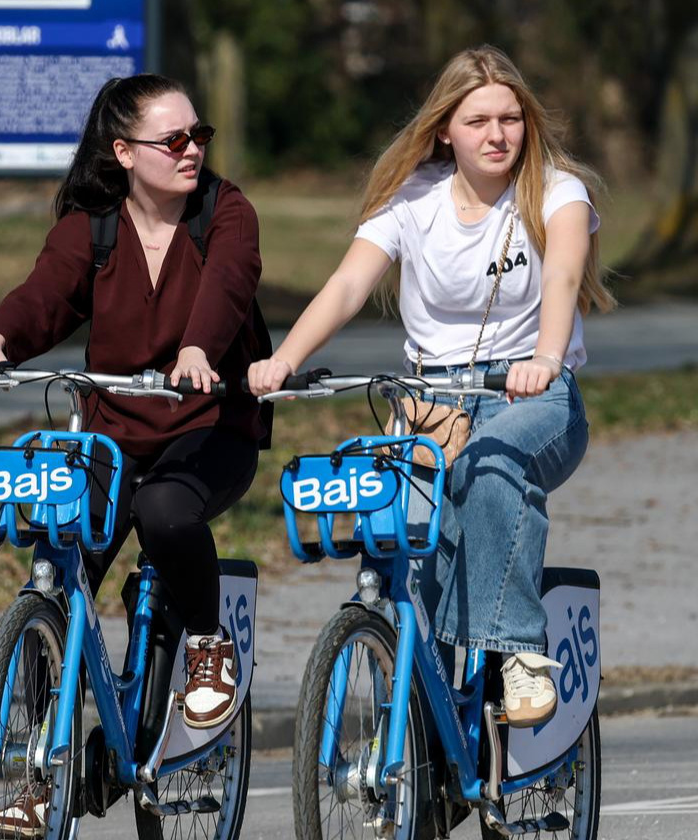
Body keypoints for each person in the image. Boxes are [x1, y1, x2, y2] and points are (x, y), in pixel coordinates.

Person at [248, 45, 611, 728]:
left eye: (510, 118)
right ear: (445, 128)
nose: (497, 135)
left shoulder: (557, 190)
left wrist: (546, 355)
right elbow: (349, 283)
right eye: (478, 120)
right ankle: (430, 741)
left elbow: (563, 276)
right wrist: (283, 360)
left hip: (531, 398)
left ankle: (519, 652)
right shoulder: (413, 199)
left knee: (491, 468)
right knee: (409, 555)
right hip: (426, 406)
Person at [0, 74, 272, 734]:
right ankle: (37, 768)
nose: (191, 150)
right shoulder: (90, 228)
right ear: (124, 153)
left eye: (198, 135)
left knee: (162, 509)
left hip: (212, 425)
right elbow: (44, 295)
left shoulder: (224, 211)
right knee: (57, 571)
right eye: (173, 139)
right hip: (114, 432)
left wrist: (198, 351)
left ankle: (208, 646)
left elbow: (229, 286)